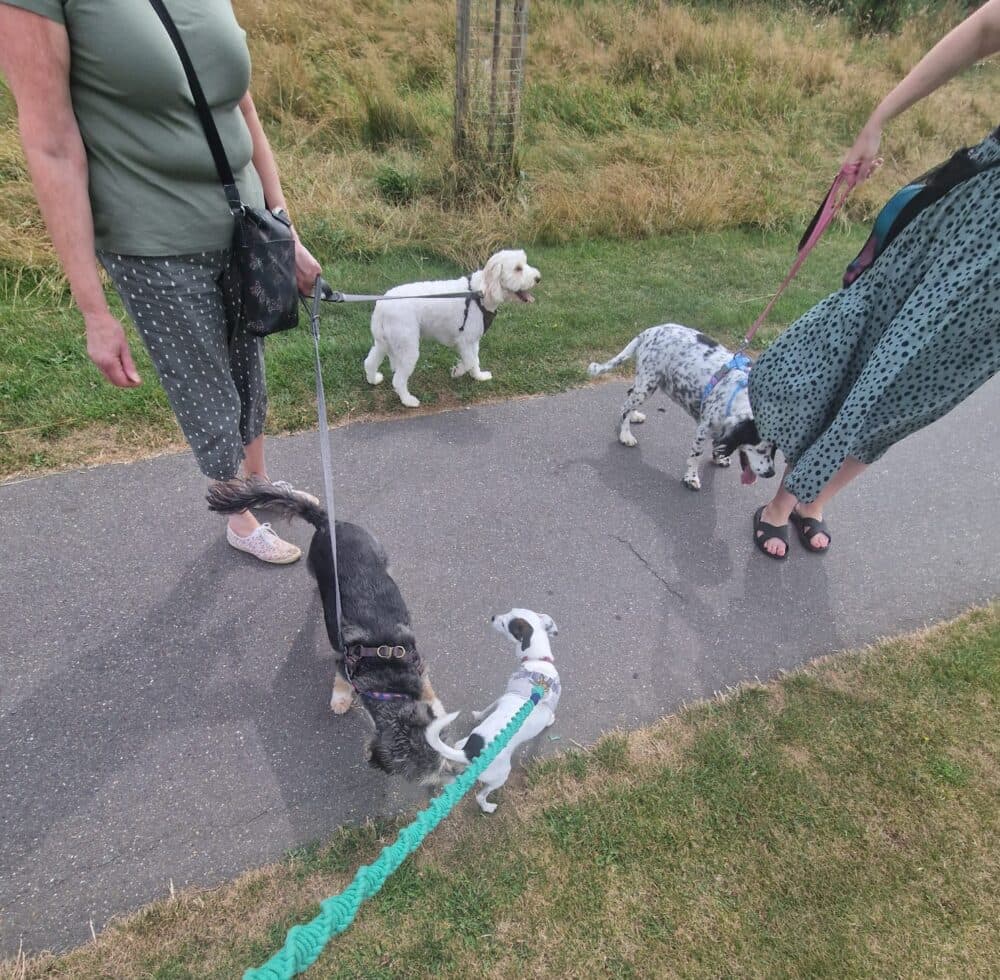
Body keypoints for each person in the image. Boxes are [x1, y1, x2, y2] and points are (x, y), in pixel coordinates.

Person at [0, 0, 323, 564]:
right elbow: (51, 145)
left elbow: (241, 104)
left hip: (243, 225)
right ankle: (237, 514)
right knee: (205, 385)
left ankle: (260, 483)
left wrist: (284, 226)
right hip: (153, 239)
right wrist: (93, 310)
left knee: (249, 364)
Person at [749, 0, 1000, 559]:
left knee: (921, 392)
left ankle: (814, 499)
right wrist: (878, 119)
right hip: (975, 221)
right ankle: (782, 503)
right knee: (873, 360)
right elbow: (986, 26)